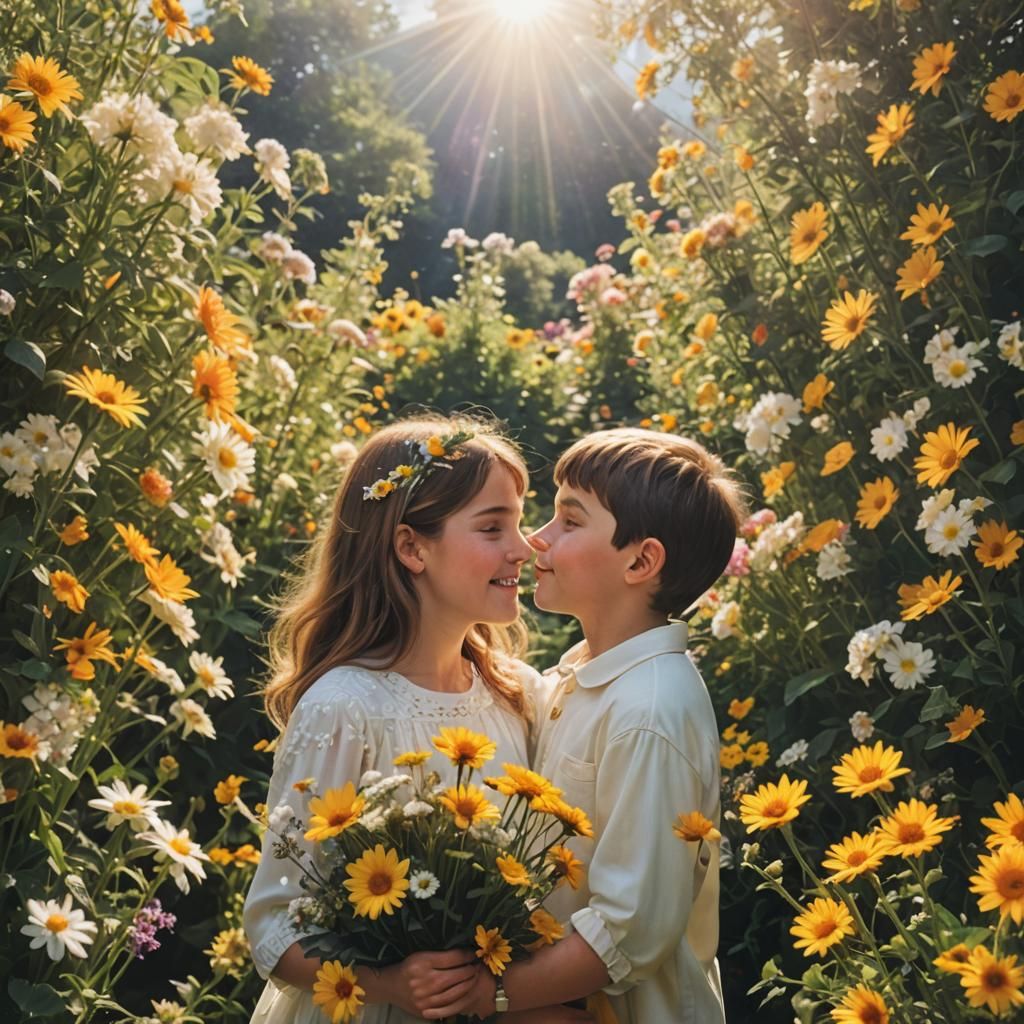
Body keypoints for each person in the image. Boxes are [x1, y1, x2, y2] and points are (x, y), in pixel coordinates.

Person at [242, 413, 589, 1024]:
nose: (524, 546)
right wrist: (391, 982)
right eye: (492, 527)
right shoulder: (346, 707)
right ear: (411, 547)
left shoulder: (519, 695)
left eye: (518, 520)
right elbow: (271, 926)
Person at [424, 427, 746, 1023]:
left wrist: (489, 996)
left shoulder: (651, 712)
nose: (535, 540)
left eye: (569, 522)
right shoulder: (584, 670)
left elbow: (630, 930)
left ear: (641, 560)